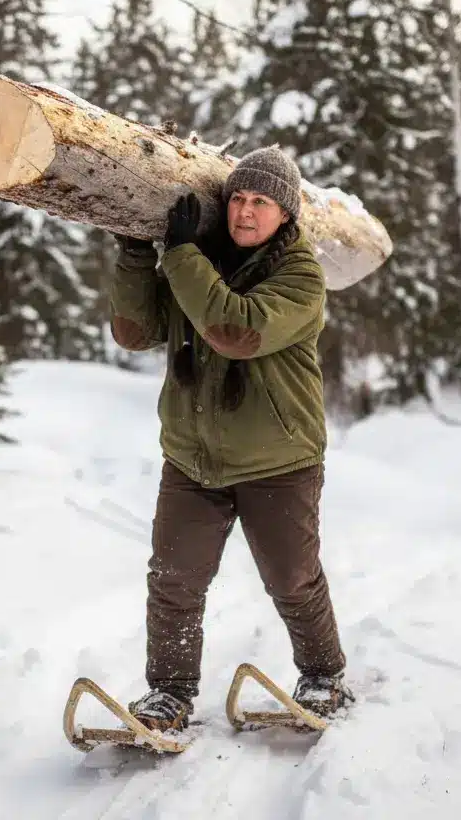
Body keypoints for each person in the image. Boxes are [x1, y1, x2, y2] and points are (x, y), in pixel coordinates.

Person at [107, 146, 354, 732]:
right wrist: (137, 254)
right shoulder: (201, 268)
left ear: (286, 215)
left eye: (261, 202)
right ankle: (169, 694)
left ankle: (323, 674)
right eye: (238, 198)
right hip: (194, 459)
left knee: (291, 578)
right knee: (174, 580)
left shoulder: (300, 276)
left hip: (279, 459)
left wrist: (183, 252)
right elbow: (134, 332)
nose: (245, 212)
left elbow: (234, 330)